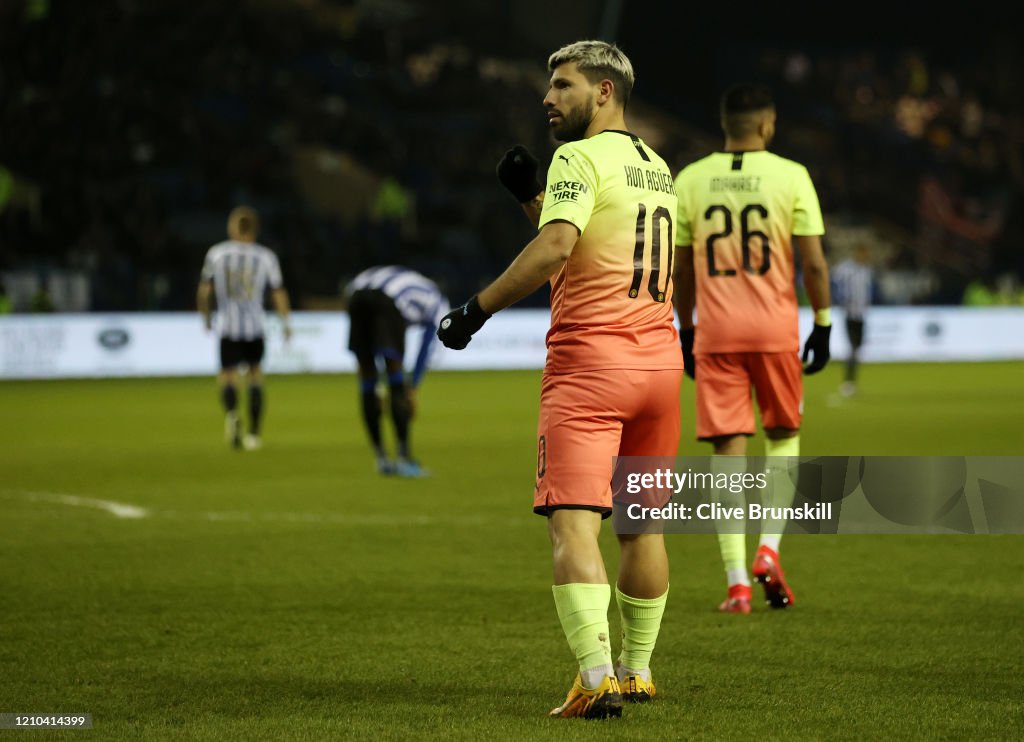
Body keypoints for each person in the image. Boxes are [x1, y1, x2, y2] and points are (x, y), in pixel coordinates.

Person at [437, 40, 682, 719]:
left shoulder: (577, 155)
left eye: (563, 85)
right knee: (643, 528)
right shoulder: (657, 167)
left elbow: (558, 248)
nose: (548, 97)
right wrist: (532, 200)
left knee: (575, 526)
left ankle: (595, 676)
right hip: (659, 364)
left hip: (591, 366)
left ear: (604, 92)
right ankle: (637, 670)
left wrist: (474, 310)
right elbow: (598, 244)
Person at [673, 83, 831, 614]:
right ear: (767, 124)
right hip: (774, 333)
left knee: (726, 452)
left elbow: (682, 268)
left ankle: (737, 584)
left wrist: (688, 329)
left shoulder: (690, 179)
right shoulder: (792, 176)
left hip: (716, 334)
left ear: (726, 124)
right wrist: (824, 322)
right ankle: (768, 550)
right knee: (784, 435)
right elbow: (812, 263)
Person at [196, 205, 292, 451]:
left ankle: (231, 413)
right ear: (255, 230)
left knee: (227, 375)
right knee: (255, 376)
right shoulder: (266, 257)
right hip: (254, 327)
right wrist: (286, 322)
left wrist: (206, 317)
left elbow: (204, 291)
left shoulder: (216, 254)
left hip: (228, 326)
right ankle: (254, 434)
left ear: (232, 227)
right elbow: (278, 292)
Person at [342, 265, 448, 477]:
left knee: (367, 380)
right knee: (396, 378)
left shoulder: (407, 279)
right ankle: (403, 459)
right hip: (387, 302)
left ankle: (381, 459)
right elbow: (427, 344)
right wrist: (413, 388)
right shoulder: (437, 300)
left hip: (355, 296)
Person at [831, 243, 874, 397]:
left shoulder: (866, 270)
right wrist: (840, 299)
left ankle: (850, 383)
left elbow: (869, 290)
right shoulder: (845, 268)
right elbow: (834, 282)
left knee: (857, 348)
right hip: (849, 313)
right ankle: (848, 383)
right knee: (853, 348)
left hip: (861, 314)